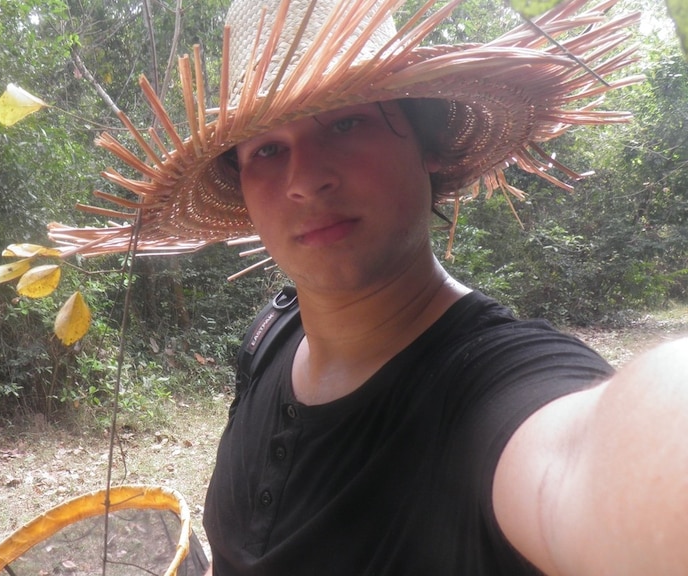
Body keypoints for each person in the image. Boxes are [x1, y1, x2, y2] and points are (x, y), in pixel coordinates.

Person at [48, 0, 688, 573]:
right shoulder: (271, 334)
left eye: (346, 123)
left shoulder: (494, 388)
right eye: (266, 150)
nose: (306, 179)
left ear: (429, 144)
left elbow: (587, 461)